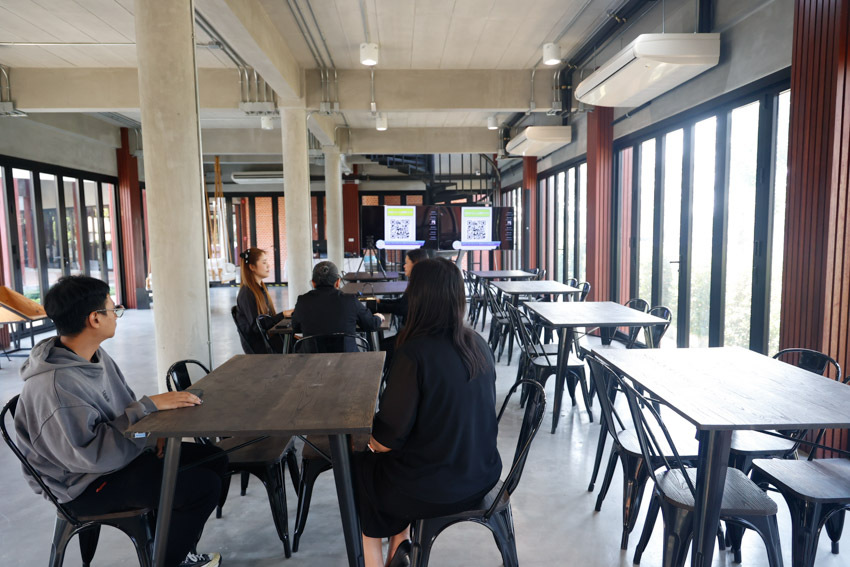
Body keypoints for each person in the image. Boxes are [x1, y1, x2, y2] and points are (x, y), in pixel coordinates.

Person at [13, 276, 226, 567]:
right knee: (201, 487)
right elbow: (90, 456)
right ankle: (169, 561)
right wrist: (148, 408)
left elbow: (123, 411)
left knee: (214, 458)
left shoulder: (93, 356)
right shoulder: (56, 386)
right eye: (114, 310)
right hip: (82, 485)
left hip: (114, 461)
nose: (116, 315)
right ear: (95, 319)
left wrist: (152, 434)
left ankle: (174, 549)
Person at [353, 258, 502, 567]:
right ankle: (400, 548)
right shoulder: (477, 343)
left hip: (436, 489)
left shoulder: (414, 353)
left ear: (418, 297)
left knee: (364, 470)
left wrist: (363, 442)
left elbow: (387, 440)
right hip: (482, 476)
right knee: (395, 468)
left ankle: (380, 558)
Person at [291, 261, 384, 352]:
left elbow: (295, 326)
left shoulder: (302, 301)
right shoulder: (350, 300)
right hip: (348, 359)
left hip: (311, 359)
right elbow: (370, 324)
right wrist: (378, 317)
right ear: (338, 282)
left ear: (313, 283)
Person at [235, 247, 286, 353]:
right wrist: (283, 315)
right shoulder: (247, 293)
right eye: (264, 262)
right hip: (262, 347)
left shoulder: (260, 289)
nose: (268, 265)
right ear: (252, 267)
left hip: (268, 341)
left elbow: (266, 321)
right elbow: (257, 327)